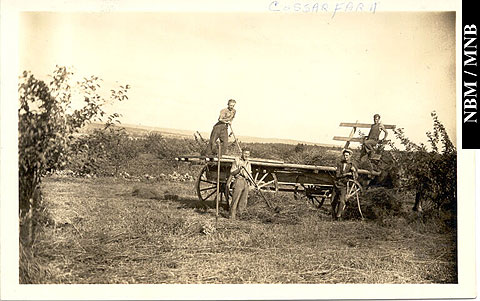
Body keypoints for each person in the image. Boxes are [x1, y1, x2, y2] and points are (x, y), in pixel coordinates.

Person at [331, 148, 358, 221]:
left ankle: (338, 216)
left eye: (347, 155)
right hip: (336, 183)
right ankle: (333, 215)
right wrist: (347, 174)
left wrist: (354, 171)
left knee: (342, 201)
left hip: (344, 185)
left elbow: (355, 176)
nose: (345, 157)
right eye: (344, 155)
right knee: (332, 201)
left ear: (350, 156)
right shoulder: (340, 163)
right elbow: (337, 174)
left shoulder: (352, 165)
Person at [229, 149, 251, 219]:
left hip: (246, 181)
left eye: (248, 154)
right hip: (239, 180)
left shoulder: (248, 162)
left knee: (243, 200)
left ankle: (240, 216)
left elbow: (249, 173)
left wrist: (251, 183)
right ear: (242, 153)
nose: (246, 155)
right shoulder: (237, 160)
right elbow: (232, 172)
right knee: (235, 199)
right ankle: (232, 217)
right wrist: (239, 169)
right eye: (245, 153)